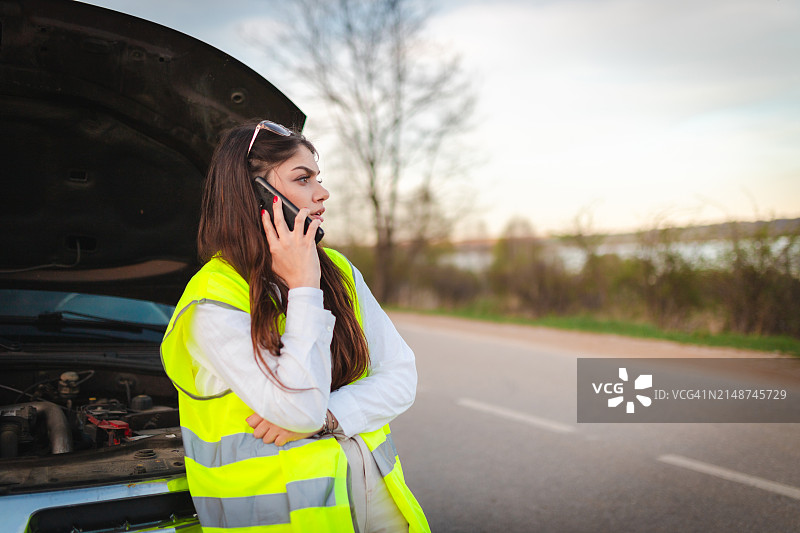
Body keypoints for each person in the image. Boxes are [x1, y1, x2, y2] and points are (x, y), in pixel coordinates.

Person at [160, 119, 430, 533]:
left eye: (318, 178)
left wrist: (331, 416)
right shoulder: (213, 299)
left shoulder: (338, 269)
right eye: (303, 179)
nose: (323, 192)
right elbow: (299, 410)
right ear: (254, 194)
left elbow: (400, 377)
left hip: (382, 510)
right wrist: (304, 287)